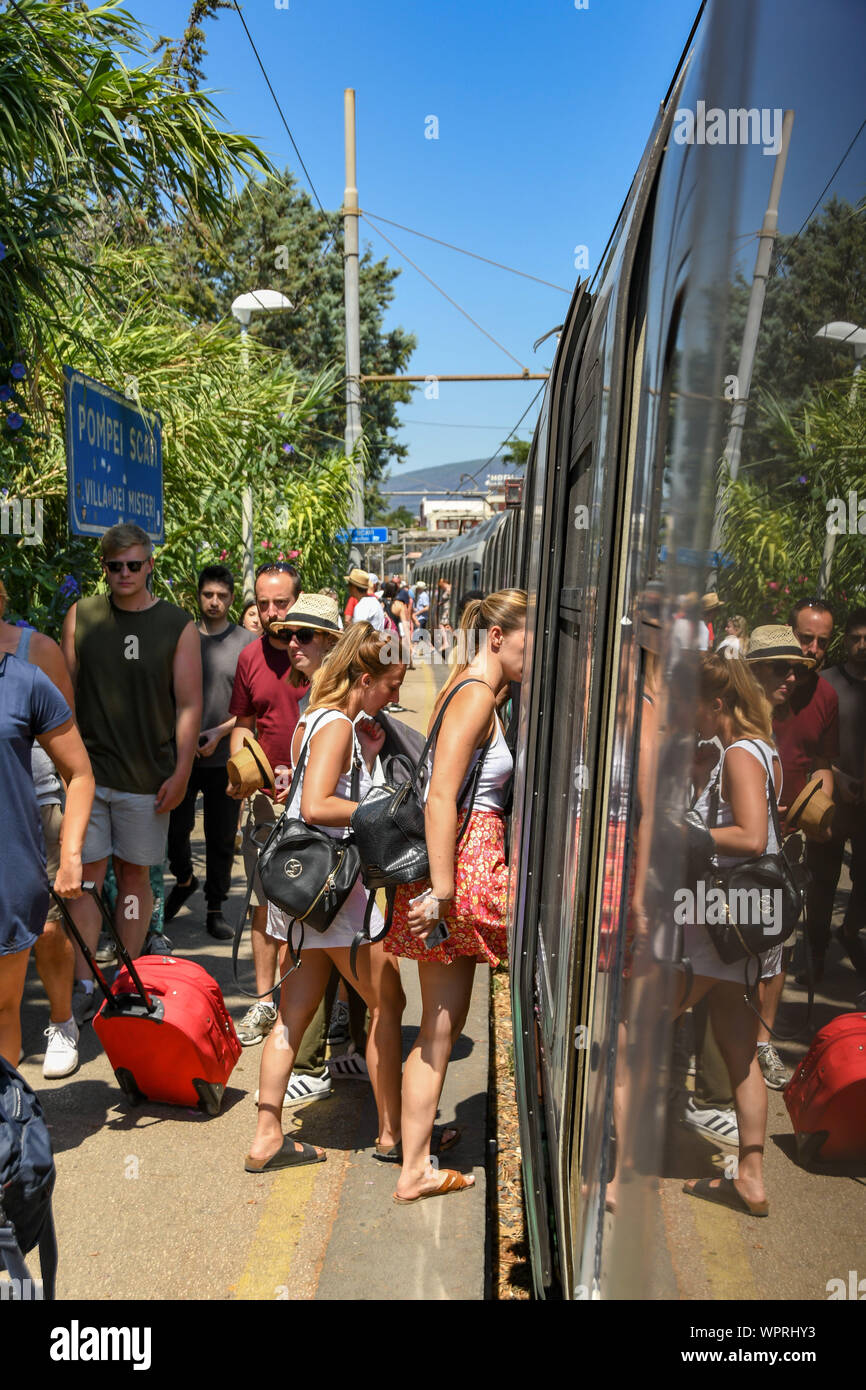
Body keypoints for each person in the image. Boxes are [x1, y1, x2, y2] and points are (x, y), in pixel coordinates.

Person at [245, 623, 407, 1172]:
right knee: (390, 1003)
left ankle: (268, 1135)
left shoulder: (313, 718)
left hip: (302, 890)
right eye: (390, 685)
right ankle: (392, 1134)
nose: (396, 697)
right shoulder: (337, 724)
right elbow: (314, 806)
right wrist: (379, 806)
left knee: (291, 1016)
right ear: (363, 677)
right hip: (336, 892)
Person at [386, 589, 526, 1202]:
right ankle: (414, 1167)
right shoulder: (474, 696)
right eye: (527, 643)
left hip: (457, 868)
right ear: (497, 637)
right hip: (464, 869)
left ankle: (415, 1159)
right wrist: (443, 891)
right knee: (442, 1027)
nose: (534, 656)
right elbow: (441, 794)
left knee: (440, 1028)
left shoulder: (474, 691)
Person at [59, 524, 202, 1022]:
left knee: (135, 878)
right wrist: (64, 769)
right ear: (105, 568)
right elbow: (65, 699)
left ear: (149, 566)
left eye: (134, 565)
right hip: (90, 778)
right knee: (87, 881)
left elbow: (189, 705)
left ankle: (124, 973)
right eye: (115, 566)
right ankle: (83, 982)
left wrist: (183, 771)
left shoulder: (176, 624)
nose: (124, 574)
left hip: (148, 779)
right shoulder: (82, 617)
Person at [680, 654, 783, 1219]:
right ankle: (750, 1176)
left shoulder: (741, 754)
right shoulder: (763, 750)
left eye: (692, 705)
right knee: (740, 1054)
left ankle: (613, 1165)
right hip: (749, 920)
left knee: (644, 1022)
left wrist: (685, 831)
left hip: (720, 915)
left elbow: (750, 835)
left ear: (716, 704)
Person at [0, 580, 94, 1067]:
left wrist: (72, 853)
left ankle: (61, 1020)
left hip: (29, 813)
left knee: (48, 932)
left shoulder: (30, 664)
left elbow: (74, 761)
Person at [227, 561, 305, 1045]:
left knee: (315, 903)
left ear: (298, 601)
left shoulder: (325, 652)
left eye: (282, 602)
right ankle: (263, 1002)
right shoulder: (249, 658)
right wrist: (242, 771)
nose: (273, 612)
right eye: (263, 603)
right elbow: (244, 722)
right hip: (264, 804)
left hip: (318, 797)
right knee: (262, 904)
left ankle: (323, 1007)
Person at [165, 566, 257, 941]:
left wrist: (219, 735)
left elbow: (251, 705)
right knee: (174, 831)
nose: (214, 601)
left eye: (221, 595)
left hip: (225, 759)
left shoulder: (246, 643)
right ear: (198, 596)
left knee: (220, 838)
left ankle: (215, 908)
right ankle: (184, 878)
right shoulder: (181, 638)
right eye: (208, 595)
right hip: (181, 757)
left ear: (232, 599)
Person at [805, 607, 866, 977]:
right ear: (845, 640)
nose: (862, 645)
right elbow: (810, 741)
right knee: (822, 883)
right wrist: (836, 776)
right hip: (829, 797)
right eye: (856, 638)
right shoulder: (824, 683)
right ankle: (814, 957)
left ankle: (850, 930)